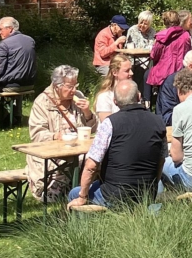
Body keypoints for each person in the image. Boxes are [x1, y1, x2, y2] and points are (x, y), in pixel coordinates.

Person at [67, 79, 167, 209]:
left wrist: (82, 196)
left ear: (115, 101)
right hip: (146, 194)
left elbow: (91, 166)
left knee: (74, 193)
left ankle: (82, 229)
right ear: (139, 96)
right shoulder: (158, 122)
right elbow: (161, 160)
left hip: (115, 195)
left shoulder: (110, 123)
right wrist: (152, 187)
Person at [26, 65, 98, 202]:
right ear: (57, 86)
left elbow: (92, 130)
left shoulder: (78, 97)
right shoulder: (42, 102)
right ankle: (65, 192)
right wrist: (55, 136)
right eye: (70, 86)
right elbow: (36, 134)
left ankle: (84, 191)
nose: (74, 90)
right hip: (53, 155)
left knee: (95, 160)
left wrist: (88, 113)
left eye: (75, 85)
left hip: (78, 151)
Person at [0, 16, 37, 124]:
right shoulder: (30, 40)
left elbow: (0, 70)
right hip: (30, 83)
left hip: (13, 85)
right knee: (17, 81)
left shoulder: (4, 44)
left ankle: (5, 116)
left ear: (10, 29)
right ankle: (17, 115)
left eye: (1, 29)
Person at [147, 10, 191, 89]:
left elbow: (154, 55)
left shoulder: (161, 36)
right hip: (180, 73)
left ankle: (147, 100)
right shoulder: (186, 35)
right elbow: (188, 53)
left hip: (163, 73)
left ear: (165, 22)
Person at [124, 11, 156, 105]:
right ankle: (136, 100)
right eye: (140, 22)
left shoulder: (152, 31)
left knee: (148, 73)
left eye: (145, 24)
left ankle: (146, 101)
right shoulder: (132, 30)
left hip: (147, 60)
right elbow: (129, 47)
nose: (142, 25)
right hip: (134, 59)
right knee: (138, 73)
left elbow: (152, 46)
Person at [94, 54, 134, 122]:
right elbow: (107, 124)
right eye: (127, 71)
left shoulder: (134, 94)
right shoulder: (105, 97)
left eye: (131, 69)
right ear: (115, 72)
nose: (131, 73)